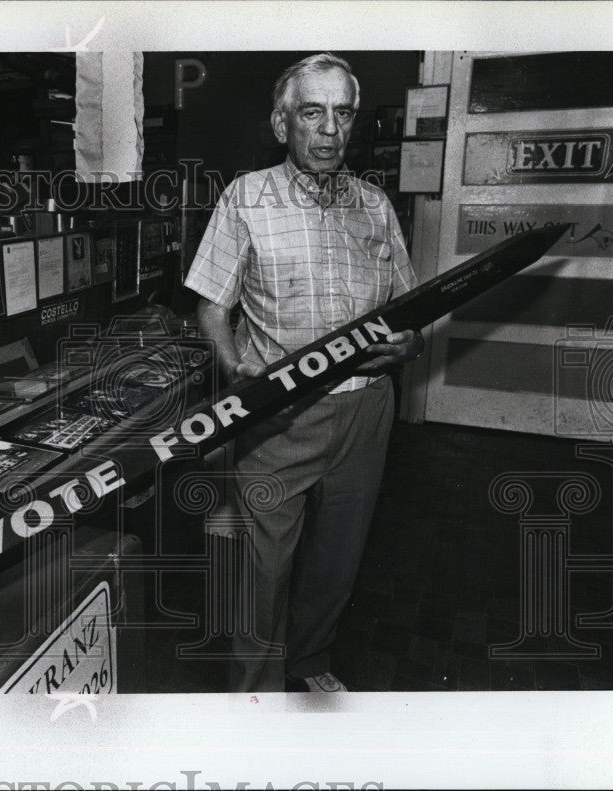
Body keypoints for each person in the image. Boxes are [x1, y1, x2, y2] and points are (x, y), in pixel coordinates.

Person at [184, 53, 423, 693]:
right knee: (262, 567)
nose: (328, 130)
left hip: (365, 410)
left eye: (342, 114)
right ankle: (254, 691)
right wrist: (239, 375)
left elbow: (410, 312)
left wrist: (407, 346)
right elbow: (211, 306)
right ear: (280, 121)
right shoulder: (246, 198)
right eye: (312, 112)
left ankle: (310, 664)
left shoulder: (375, 207)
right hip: (278, 415)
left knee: (336, 562)